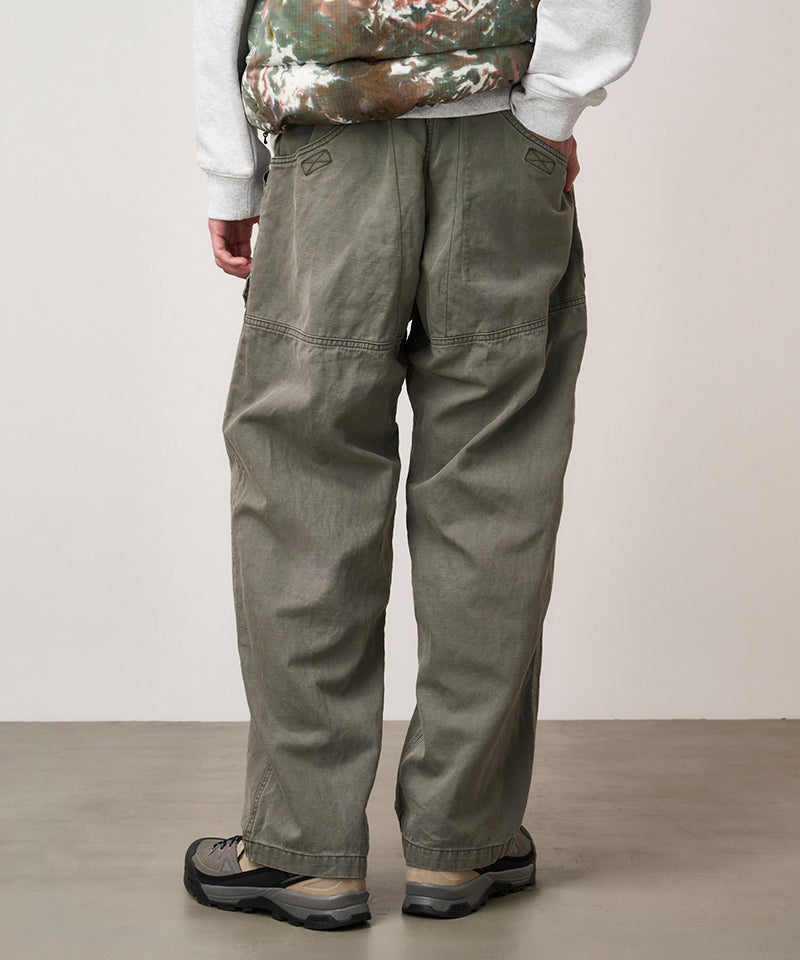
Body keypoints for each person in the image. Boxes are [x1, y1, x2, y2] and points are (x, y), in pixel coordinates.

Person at [185, 0, 651, 931]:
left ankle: (302, 852)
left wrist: (231, 171)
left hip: (332, 147)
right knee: (493, 490)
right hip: (499, 140)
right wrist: (551, 107)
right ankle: (461, 843)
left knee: (304, 492)